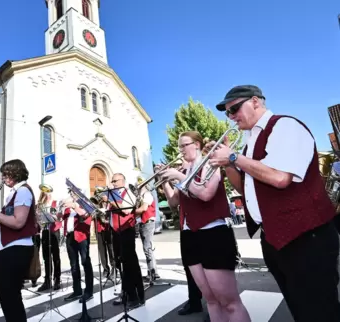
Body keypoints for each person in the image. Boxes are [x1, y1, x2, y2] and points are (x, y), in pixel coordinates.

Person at [209, 85, 340, 321]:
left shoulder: (284, 126)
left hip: (306, 237)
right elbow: (247, 190)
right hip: (274, 238)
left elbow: (280, 178)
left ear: (256, 102)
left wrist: (233, 156)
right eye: (227, 112)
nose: (230, 117)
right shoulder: (251, 141)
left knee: (320, 312)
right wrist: (228, 165)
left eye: (234, 108)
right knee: (301, 310)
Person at [159, 131, 250, 322]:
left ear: (197, 145)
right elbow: (174, 202)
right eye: (179, 146)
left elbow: (206, 194)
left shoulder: (210, 162)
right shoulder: (183, 172)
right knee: (210, 300)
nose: (180, 150)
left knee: (229, 301)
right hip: (189, 235)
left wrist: (178, 176)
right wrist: (166, 182)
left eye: (185, 145)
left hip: (212, 233)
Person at [0, 159, 36, 322]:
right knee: (7, 296)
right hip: (9, 248)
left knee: (10, 296)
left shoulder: (23, 191)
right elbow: (6, 226)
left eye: (6, 174)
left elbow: (18, 223)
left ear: (15, 173)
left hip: (16, 250)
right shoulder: (15, 192)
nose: (3, 178)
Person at [107, 173, 144, 309]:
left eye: (115, 181)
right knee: (120, 263)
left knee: (130, 264)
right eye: (112, 181)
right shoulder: (114, 194)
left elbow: (127, 210)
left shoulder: (129, 193)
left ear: (123, 180)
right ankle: (126, 293)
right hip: (116, 232)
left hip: (126, 231)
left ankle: (136, 296)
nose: (113, 183)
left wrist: (110, 201)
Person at [61, 193, 94, 303]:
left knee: (85, 262)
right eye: (70, 193)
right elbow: (60, 218)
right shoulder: (69, 206)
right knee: (73, 265)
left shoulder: (84, 203)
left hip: (82, 235)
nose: (71, 195)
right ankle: (77, 290)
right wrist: (60, 209)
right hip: (70, 235)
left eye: (73, 193)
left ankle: (89, 291)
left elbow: (85, 214)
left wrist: (74, 205)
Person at [36, 189, 62, 292]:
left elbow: (58, 217)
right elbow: (38, 220)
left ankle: (57, 279)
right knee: (46, 257)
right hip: (45, 231)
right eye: (46, 193)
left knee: (55, 256)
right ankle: (47, 280)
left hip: (54, 231)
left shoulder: (55, 203)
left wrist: (52, 216)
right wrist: (38, 218)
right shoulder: (40, 205)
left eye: (49, 192)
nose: (48, 195)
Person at [134, 179, 159, 281]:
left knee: (147, 249)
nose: (136, 187)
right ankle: (153, 272)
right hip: (144, 222)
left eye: (138, 185)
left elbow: (144, 208)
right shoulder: (142, 196)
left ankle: (152, 273)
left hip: (148, 223)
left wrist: (131, 213)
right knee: (147, 248)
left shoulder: (147, 194)